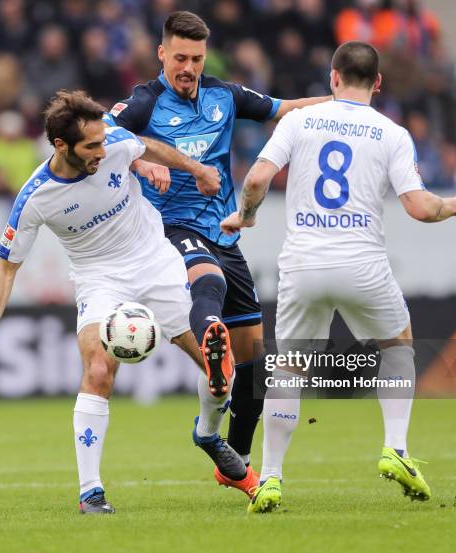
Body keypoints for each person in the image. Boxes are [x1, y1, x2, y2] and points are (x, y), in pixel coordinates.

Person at [220, 41, 456, 512]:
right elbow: (419, 208)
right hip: (362, 264)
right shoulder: (392, 132)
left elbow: (257, 179)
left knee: (289, 368)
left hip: (302, 265)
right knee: (398, 345)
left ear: (333, 77)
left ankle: (274, 477)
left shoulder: (299, 120)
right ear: (378, 83)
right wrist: (454, 206)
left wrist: (246, 215)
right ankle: (396, 449)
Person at [0, 90, 248, 515]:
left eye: (102, 141)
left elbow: (147, 145)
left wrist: (196, 168)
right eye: (91, 146)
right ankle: (90, 492)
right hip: (98, 277)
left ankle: (207, 433)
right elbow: (6, 268)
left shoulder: (112, 141)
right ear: (61, 146)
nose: (102, 149)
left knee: (217, 365)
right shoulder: (36, 197)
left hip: (154, 261)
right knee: (97, 369)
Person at [107, 10, 330, 496]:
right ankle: (211, 340)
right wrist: (144, 163)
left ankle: (237, 462)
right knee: (208, 282)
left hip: (225, 234)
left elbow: (285, 108)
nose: (187, 67)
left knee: (254, 366)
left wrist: (343, 104)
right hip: (169, 230)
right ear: (162, 54)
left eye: (196, 58)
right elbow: (106, 135)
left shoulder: (223, 95)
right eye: (179, 57)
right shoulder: (145, 101)